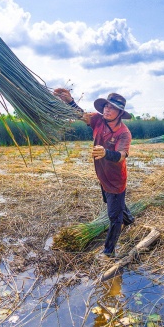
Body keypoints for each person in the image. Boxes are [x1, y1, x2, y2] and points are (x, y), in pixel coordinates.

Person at [54, 88, 134, 257]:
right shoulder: (98, 120)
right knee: (113, 203)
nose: (107, 109)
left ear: (120, 113)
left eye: (112, 107)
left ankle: (108, 251)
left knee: (114, 217)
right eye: (106, 105)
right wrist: (69, 101)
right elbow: (81, 115)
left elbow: (121, 156)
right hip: (101, 174)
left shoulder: (124, 133)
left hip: (115, 179)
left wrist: (105, 153)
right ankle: (130, 220)